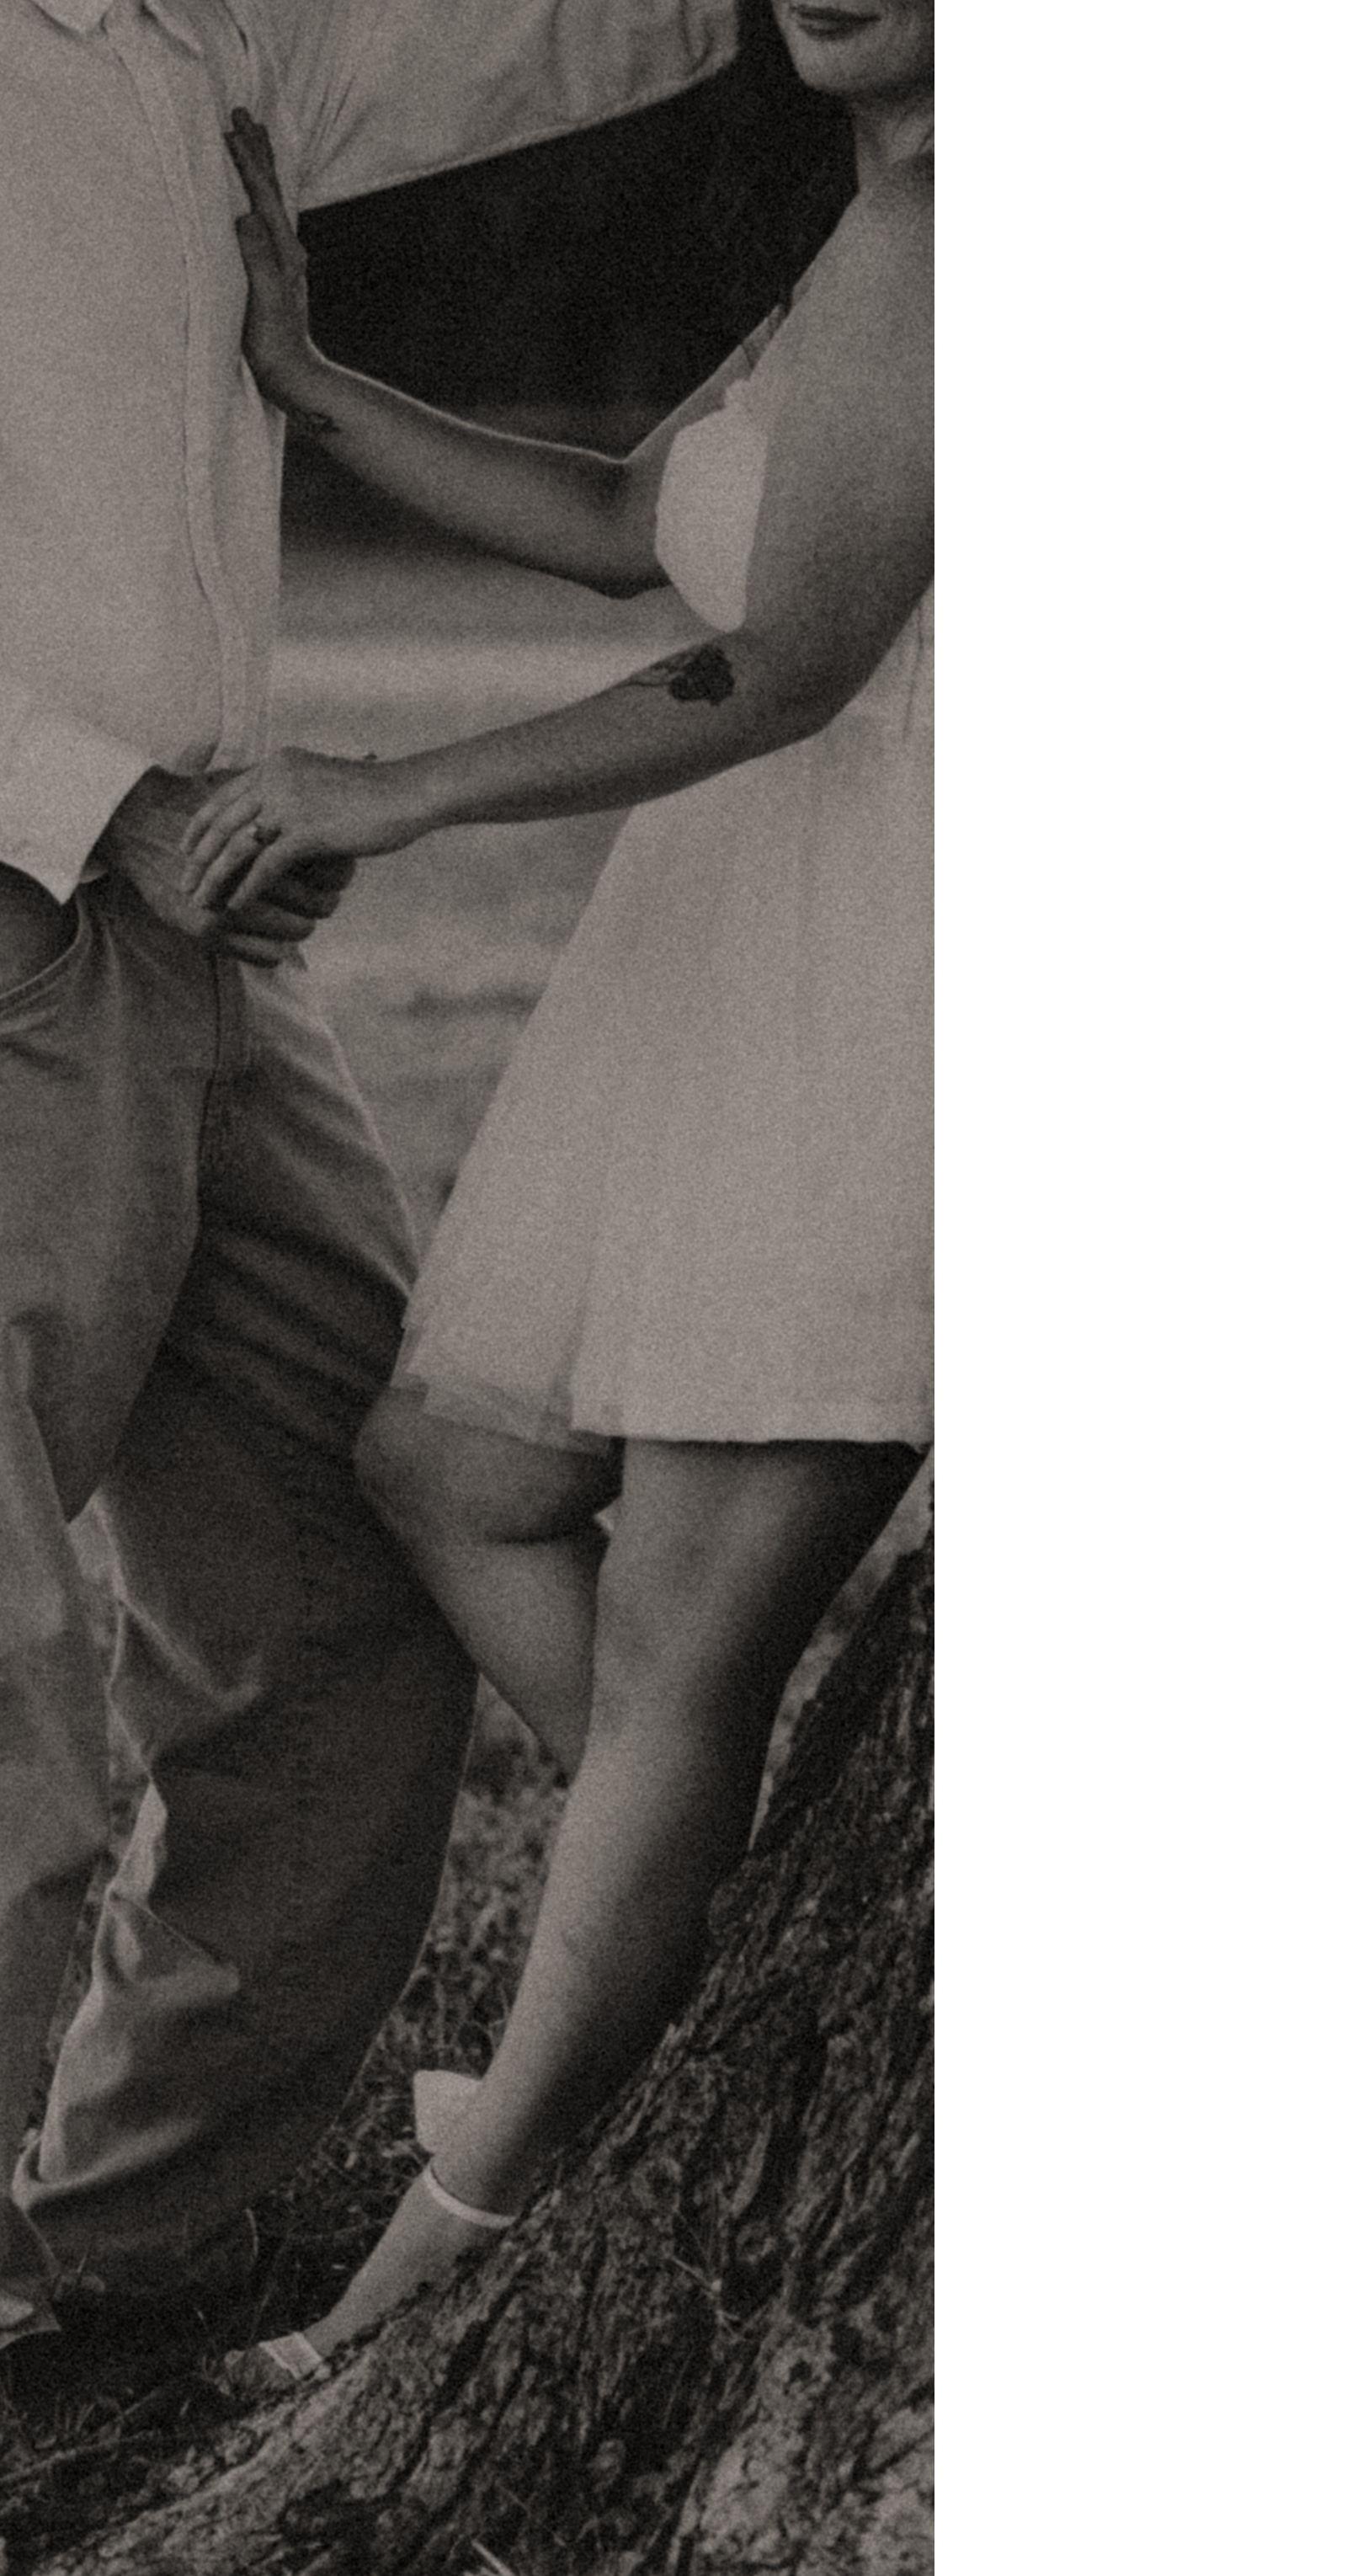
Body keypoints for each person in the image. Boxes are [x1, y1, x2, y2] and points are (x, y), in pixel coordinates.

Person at [0, 0, 742, 2418]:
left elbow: (587, 37)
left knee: (357, 1571)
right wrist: (111, 807)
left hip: (223, 946)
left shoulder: (218, 40)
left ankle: (142, 2219)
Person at [177, 0, 934, 2383]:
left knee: (687, 1644)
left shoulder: (994, 234)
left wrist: (389, 789)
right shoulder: (873, 222)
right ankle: (716, 1952)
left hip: (897, 977)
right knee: (449, 1465)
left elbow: (791, 662)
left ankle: (459, 2232)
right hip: (733, 940)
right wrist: (309, 384)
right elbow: (631, 527)